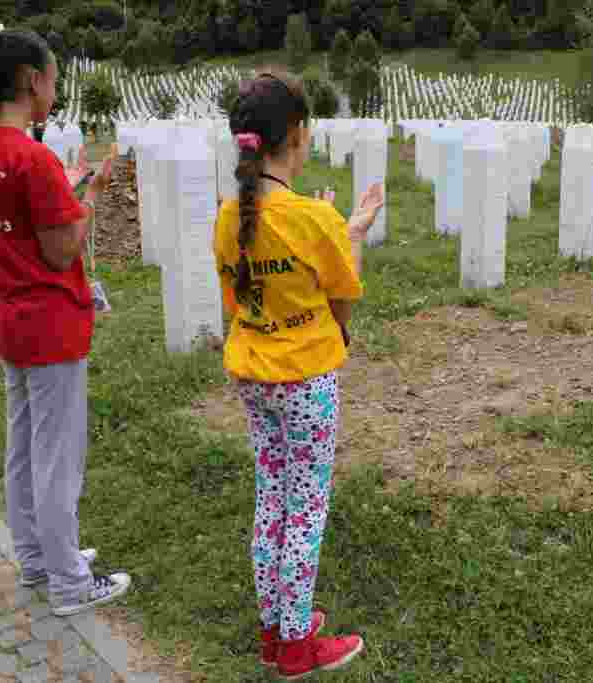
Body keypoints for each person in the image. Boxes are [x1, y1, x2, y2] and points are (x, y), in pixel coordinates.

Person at [0, 28, 131, 617]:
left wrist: (68, 191)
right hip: (50, 324)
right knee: (58, 457)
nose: (55, 89)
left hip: (8, 317)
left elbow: (19, 229)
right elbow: (61, 248)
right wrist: (91, 195)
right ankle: (71, 581)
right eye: (53, 78)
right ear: (32, 81)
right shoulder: (30, 157)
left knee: (24, 449)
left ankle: (36, 558)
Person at [213, 71, 384, 679]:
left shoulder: (230, 216)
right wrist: (351, 233)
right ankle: (295, 643)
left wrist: (348, 229)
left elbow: (238, 301)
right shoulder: (312, 219)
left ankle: (273, 625)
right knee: (306, 508)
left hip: (254, 373)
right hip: (305, 381)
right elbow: (341, 296)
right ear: (297, 136)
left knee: (273, 499)